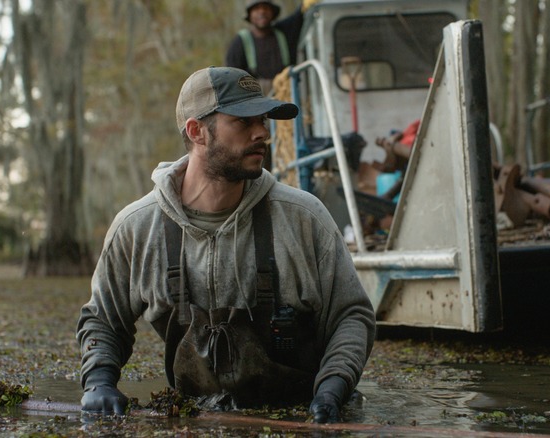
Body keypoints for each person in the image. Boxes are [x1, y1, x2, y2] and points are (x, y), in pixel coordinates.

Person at [76, 66, 376, 424]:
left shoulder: (303, 217)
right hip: (193, 420)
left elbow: (351, 315)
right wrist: (98, 381)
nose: (262, 133)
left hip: (307, 415)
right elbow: (103, 320)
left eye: (263, 120)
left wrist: (333, 387)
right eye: (244, 121)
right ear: (196, 131)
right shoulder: (137, 228)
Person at [225, 1, 309, 94]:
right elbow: (232, 79)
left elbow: (298, 16)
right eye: (256, 9)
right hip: (256, 100)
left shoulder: (284, 33)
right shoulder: (240, 42)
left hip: (286, 93)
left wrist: (305, 5)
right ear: (249, 15)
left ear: (272, 12)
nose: (262, 11)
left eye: (266, 8)